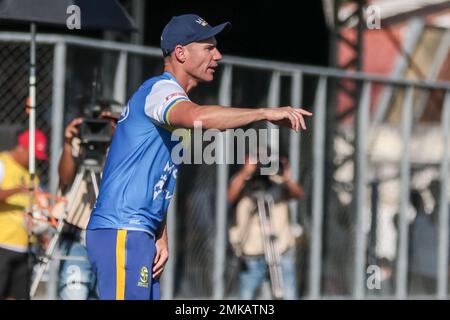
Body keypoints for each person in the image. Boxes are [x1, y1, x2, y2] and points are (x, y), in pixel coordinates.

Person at [86, 13, 312, 300]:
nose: (217, 55)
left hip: (138, 232)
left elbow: (158, 177)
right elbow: (200, 118)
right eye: (208, 48)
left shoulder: (169, 101)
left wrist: (160, 233)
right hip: (121, 230)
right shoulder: (160, 90)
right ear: (180, 53)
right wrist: (264, 113)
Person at [54, 113, 116, 300]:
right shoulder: (78, 145)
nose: (102, 129)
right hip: (76, 232)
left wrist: (117, 140)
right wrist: (68, 142)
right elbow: (65, 178)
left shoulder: (122, 149)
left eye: (112, 122)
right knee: (75, 294)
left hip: (108, 236)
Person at [228, 155, 304, 299]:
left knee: (289, 294)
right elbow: (228, 197)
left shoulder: (278, 182)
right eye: (256, 160)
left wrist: (287, 178)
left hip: (281, 251)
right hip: (251, 254)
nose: (260, 165)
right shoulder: (241, 182)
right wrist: (245, 173)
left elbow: (298, 194)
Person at [0, 129, 48, 299]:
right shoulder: (3, 163)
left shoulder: (32, 175)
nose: (33, 160)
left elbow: (37, 208)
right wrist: (18, 190)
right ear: (22, 147)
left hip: (24, 247)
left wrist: (43, 234)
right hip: (2, 244)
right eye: (32, 154)